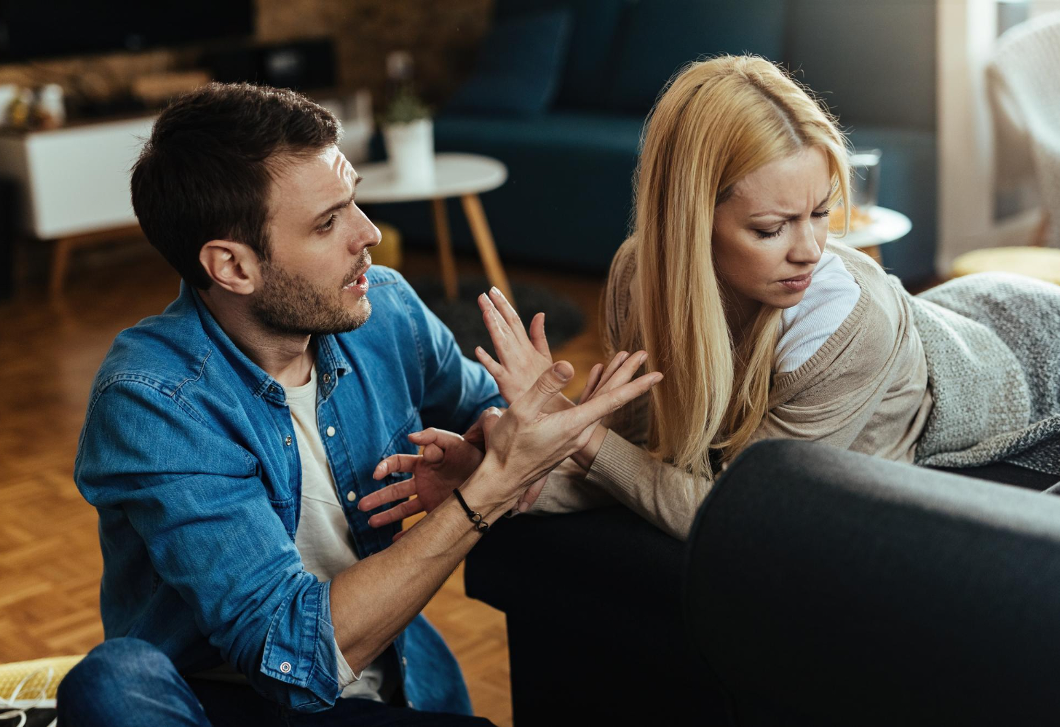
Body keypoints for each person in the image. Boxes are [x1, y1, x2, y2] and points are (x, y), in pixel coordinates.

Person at [57, 82, 661, 726]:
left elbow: (503, 429)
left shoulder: (387, 309)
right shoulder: (154, 402)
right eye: (327, 222)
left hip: (382, 686)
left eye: (354, 202)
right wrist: (487, 489)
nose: (369, 234)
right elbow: (289, 654)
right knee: (110, 683)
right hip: (221, 702)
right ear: (232, 267)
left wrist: (511, 436)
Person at [391, 55, 1059, 543]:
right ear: (689, 224)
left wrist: (580, 429)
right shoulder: (638, 276)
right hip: (966, 316)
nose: (809, 250)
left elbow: (735, 511)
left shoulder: (846, 325)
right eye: (771, 228)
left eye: (822, 214)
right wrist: (488, 477)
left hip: (1028, 356)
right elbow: (646, 459)